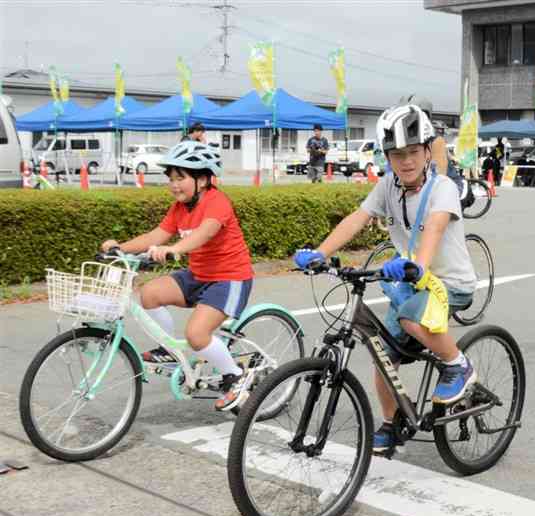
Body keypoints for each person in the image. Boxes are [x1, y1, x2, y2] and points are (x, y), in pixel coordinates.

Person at [293, 104, 478, 454]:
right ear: (387, 157)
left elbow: (434, 230)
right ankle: (392, 424)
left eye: (412, 152)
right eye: (396, 154)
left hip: (450, 284)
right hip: (413, 281)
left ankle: (459, 366)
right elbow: (357, 219)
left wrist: (417, 266)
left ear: (427, 151)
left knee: (409, 317)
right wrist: (320, 253)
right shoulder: (388, 187)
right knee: (382, 353)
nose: (406, 161)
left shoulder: (442, 188)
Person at [100, 141, 255, 412]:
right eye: (171, 179)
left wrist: (175, 249)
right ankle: (167, 351)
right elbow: (155, 236)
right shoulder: (180, 207)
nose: (174, 185)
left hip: (230, 277)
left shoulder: (217, 201)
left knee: (196, 334)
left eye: (180, 178)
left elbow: (204, 233)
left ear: (203, 179)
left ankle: (236, 376)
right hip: (198, 274)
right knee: (149, 294)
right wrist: (119, 248)